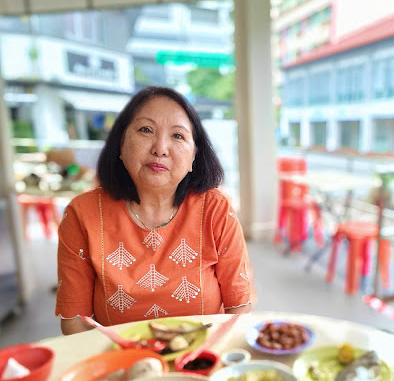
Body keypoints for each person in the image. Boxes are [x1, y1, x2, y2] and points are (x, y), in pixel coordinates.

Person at [56, 87, 252, 335]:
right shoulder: (83, 215)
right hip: (121, 360)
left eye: (178, 136)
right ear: (120, 143)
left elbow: (240, 306)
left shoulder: (215, 210)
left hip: (201, 356)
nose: (160, 148)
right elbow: (76, 322)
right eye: (145, 130)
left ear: (194, 156)